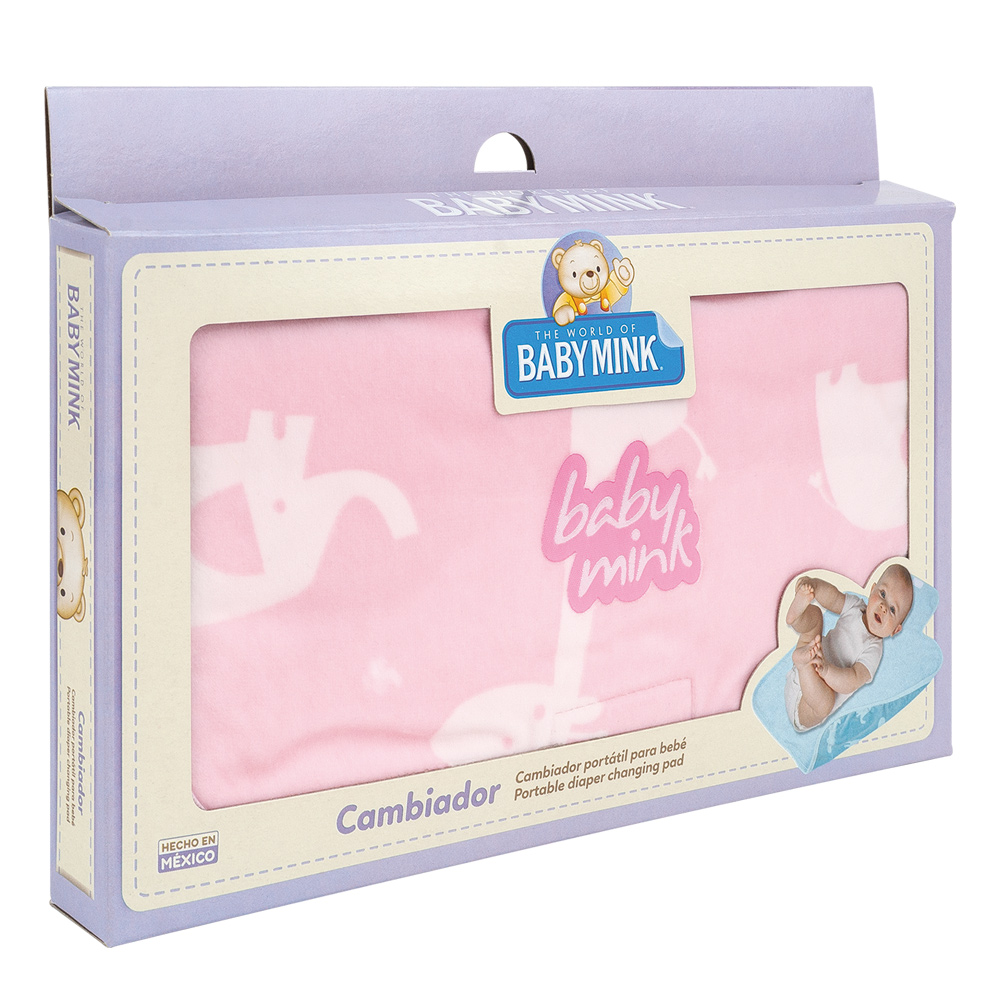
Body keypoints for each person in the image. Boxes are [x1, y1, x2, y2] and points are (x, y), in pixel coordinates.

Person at [784, 565, 913, 732]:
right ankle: (796, 618)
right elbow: (833, 598)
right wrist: (814, 586)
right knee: (815, 615)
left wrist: (826, 670)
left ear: (895, 630)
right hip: (807, 660)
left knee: (826, 704)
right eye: (882, 594)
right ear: (872, 590)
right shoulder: (856, 606)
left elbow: (852, 679)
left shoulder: (874, 650)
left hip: (808, 704)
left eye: (893, 609)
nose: (883, 606)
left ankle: (803, 665)